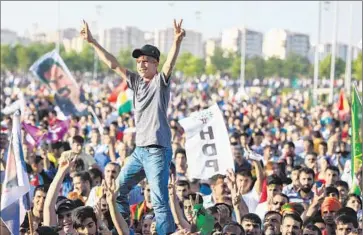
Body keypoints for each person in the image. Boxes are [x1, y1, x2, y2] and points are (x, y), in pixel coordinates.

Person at [80, 18, 186, 234]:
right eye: (139, 61)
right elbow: (113, 64)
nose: (141, 64)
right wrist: (92, 42)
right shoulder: (136, 83)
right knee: (116, 191)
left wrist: (176, 41)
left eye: (146, 60)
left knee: (159, 201)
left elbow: (169, 64)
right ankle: (124, 228)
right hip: (139, 151)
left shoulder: (160, 82)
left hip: (157, 151)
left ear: (155, 64)